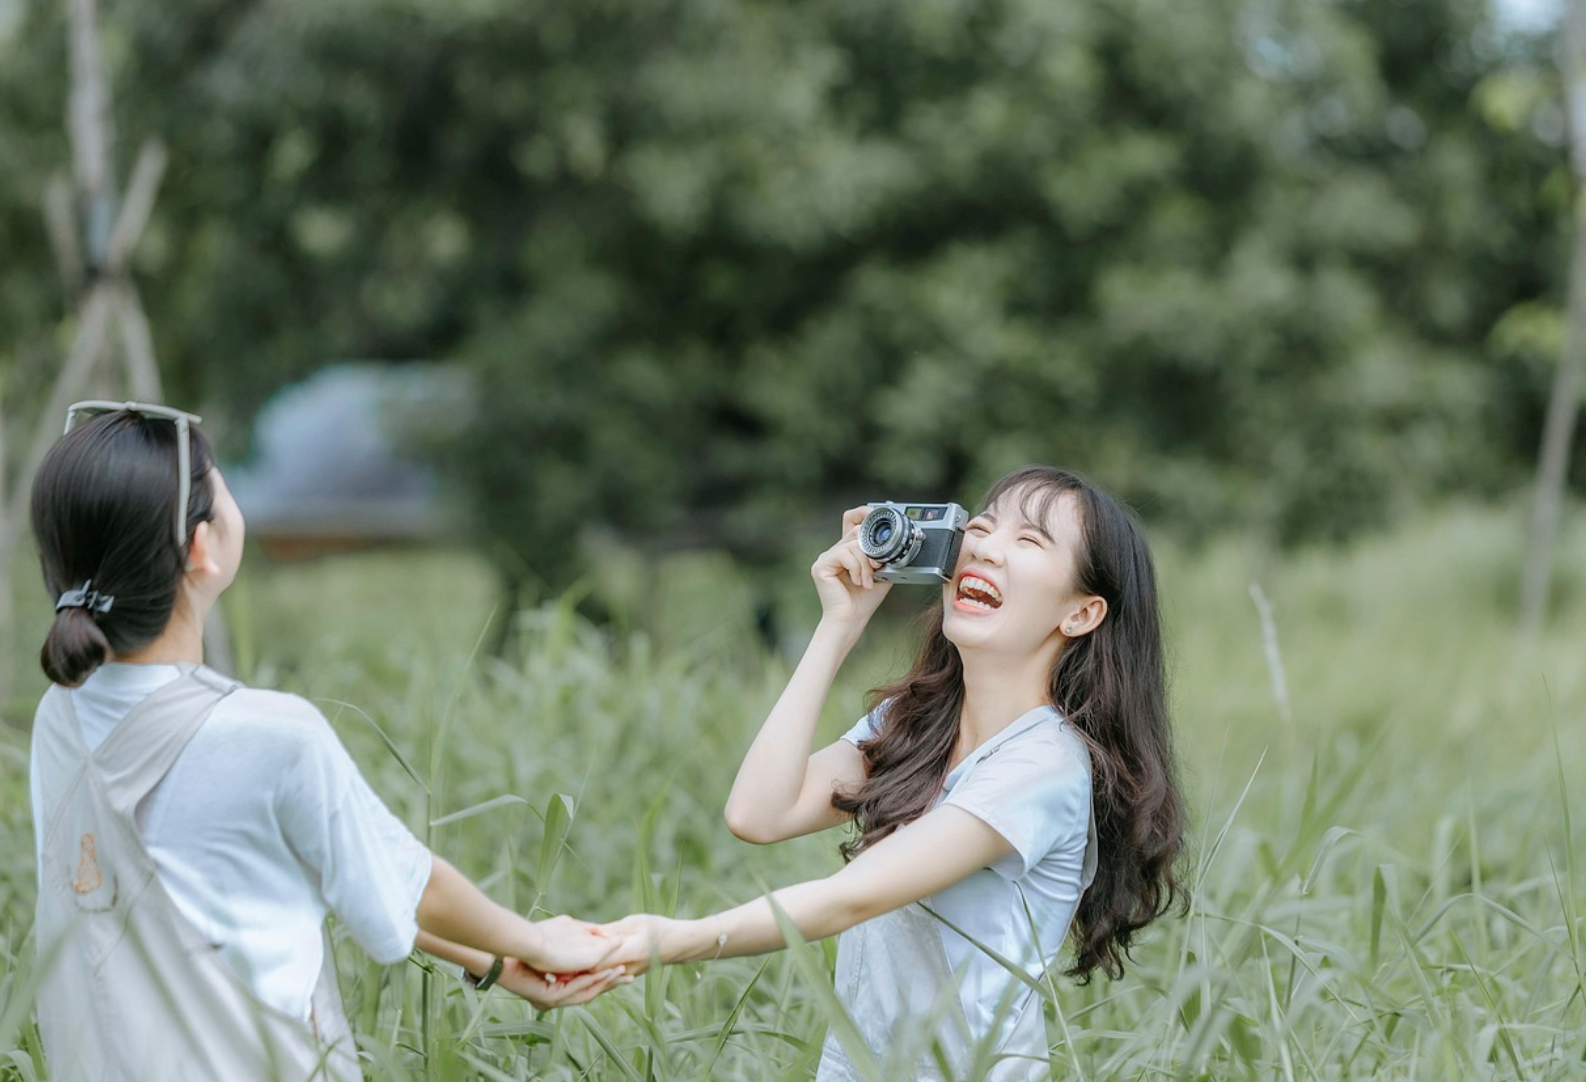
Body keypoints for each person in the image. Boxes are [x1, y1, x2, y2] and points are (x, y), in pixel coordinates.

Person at [27, 402, 630, 1082]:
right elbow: (412, 885)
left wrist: (492, 960)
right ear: (202, 546)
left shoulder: (61, 719)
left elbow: (342, 875)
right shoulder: (267, 734)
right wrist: (536, 940)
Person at [603, 465, 1187, 1081]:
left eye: (1028, 541)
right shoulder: (915, 723)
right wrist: (840, 625)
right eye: (982, 526)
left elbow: (850, 898)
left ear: (1081, 613)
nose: (984, 546)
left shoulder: (1046, 765)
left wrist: (663, 940)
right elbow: (758, 813)